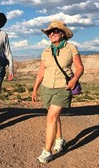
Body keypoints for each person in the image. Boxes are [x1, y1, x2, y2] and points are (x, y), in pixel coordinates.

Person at [32, 20, 84, 163]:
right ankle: (59, 139)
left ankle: (46, 152)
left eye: (55, 31)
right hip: (47, 88)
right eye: (49, 32)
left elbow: (79, 67)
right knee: (53, 116)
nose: (52, 33)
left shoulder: (71, 48)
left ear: (62, 33)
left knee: (51, 117)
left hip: (63, 88)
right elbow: (41, 72)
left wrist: (74, 80)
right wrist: (35, 88)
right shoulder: (46, 51)